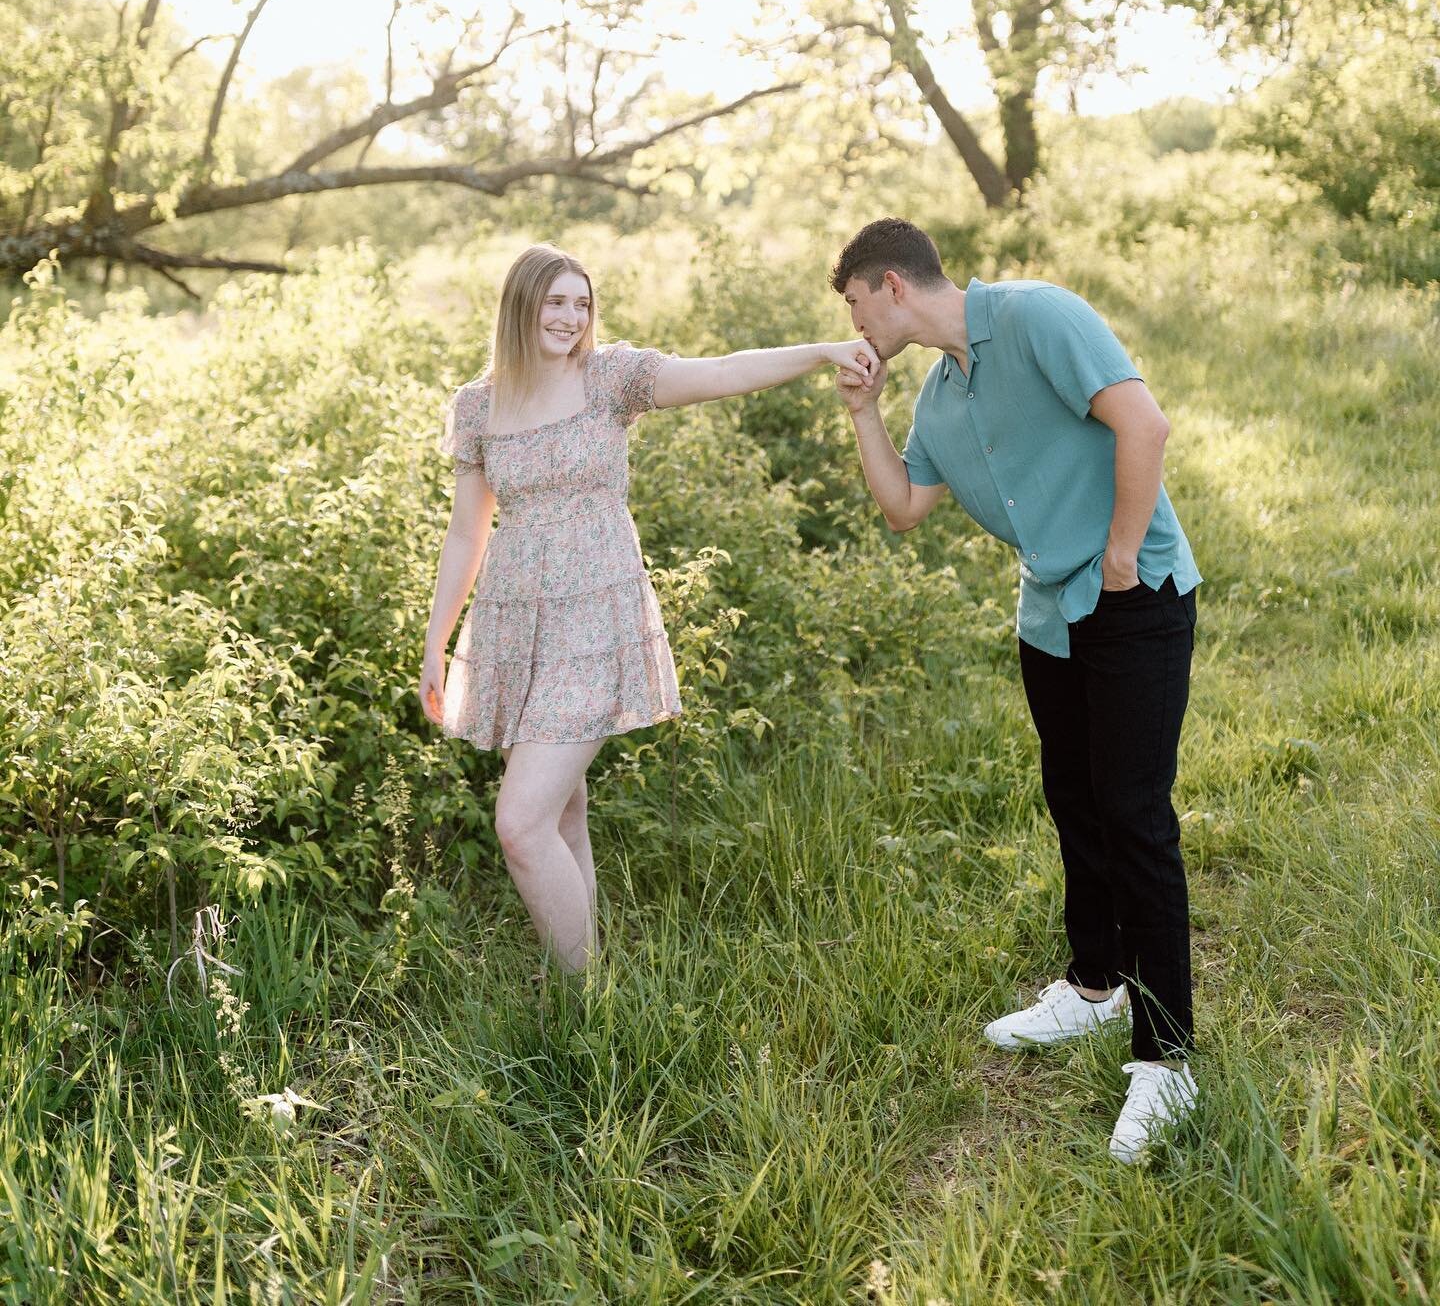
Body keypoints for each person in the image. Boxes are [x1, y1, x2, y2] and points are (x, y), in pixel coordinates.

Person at [829, 217, 1202, 1164]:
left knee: (1134, 815)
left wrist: (1121, 554)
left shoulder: (1038, 316)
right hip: (1049, 619)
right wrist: (862, 414)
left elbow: (1142, 424)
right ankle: (1092, 987)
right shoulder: (937, 397)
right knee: (1074, 802)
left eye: (853, 303)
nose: (854, 323)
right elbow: (905, 508)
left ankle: (1169, 1062)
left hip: (1133, 597)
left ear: (890, 285)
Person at [420, 241, 877, 976]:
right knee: (562, 812)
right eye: (556, 300)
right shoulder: (479, 405)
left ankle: (580, 996)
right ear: (521, 304)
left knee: (519, 823)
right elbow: (468, 530)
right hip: (516, 622)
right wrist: (437, 640)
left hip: (594, 623)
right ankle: (585, 991)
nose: (570, 317)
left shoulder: (610, 379)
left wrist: (825, 351)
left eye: (582, 302)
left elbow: (723, 372)